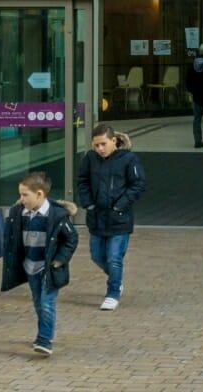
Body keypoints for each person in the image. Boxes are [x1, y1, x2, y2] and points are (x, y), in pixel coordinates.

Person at [0, 171, 77, 356]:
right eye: (21, 194)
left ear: (40, 194)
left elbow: (71, 238)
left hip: (48, 267)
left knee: (46, 302)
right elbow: (11, 236)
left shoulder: (57, 215)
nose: (21, 199)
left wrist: (59, 260)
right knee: (38, 301)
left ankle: (45, 339)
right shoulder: (18, 213)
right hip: (30, 266)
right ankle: (42, 333)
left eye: (25, 195)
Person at [75, 124, 144, 311]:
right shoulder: (90, 158)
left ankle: (113, 292)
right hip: (96, 217)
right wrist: (88, 203)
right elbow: (82, 180)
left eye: (103, 144)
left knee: (114, 258)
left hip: (119, 218)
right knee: (97, 256)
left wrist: (120, 205)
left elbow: (137, 185)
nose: (100, 149)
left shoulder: (129, 159)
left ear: (114, 140)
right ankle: (116, 277)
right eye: (96, 145)